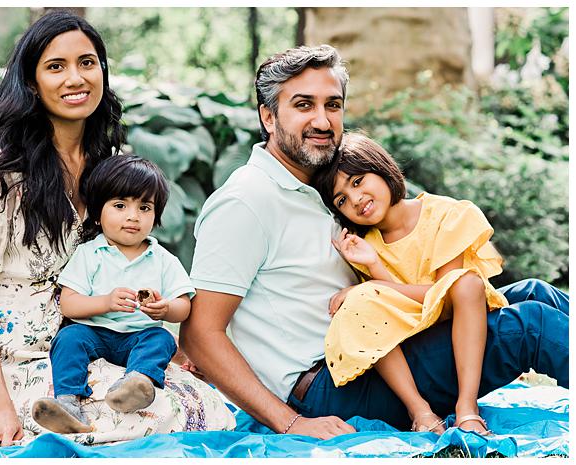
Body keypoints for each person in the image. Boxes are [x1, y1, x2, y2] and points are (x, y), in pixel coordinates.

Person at [180, 44, 569, 439]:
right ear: (268, 116)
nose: (322, 119)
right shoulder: (245, 201)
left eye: (333, 105)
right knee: (533, 326)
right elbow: (200, 334)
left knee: (537, 293)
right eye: (303, 105)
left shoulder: (319, 184)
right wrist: (290, 422)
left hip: (382, 343)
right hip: (333, 385)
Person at [0, 10, 234, 452]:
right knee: (130, 419)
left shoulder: (105, 161)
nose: (76, 78)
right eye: (56, 67)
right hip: (14, 356)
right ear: (32, 82)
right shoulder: (0, 172)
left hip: (90, 339)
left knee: (198, 404)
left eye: (87, 63)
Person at [311, 132, 570, 435]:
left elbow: (447, 297)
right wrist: (373, 268)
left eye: (357, 181)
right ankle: (465, 407)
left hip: (458, 313)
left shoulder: (444, 214)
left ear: (380, 167)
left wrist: (369, 286)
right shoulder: (364, 249)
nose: (355, 200)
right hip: (425, 341)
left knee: (536, 290)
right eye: (342, 199)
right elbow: (392, 317)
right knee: (529, 316)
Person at [31, 155, 195, 433]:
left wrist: (165, 309)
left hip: (139, 336)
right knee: (69, 338)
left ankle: (136, 384)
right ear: (97, 213)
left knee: (162, 338)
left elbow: (184, 305)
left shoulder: (163, 259)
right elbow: (68, 304)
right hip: (95, 333)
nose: (133, 216)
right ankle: (68, 403)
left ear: (155, 216)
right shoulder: (89, 254)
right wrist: (105, 302)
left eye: (144, 207)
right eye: (120, 206)